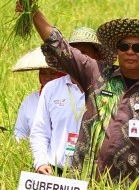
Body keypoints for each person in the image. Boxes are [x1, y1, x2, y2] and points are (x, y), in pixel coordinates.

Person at [23, 6, 139, 184]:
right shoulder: (97, 74)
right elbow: (59, 45)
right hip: (85, 187)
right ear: (117, 50)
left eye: (137, 48)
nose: (129, 52)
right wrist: (32, 10)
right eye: (123, 46)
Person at [29, 27, 102, 176]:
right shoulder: (52, 89)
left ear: (96, 57)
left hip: (94, 176)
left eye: (84, 53)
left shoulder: (108, 90)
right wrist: (41, 162)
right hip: (56, 171)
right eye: (74, 53)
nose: (78, 58)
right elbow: (40, 130)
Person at [13, 47, 60, 141]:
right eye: (43, 73)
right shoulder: (30, 101)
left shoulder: (71, 100)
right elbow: (19, 133)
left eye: (52, 73)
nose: (47, 78)